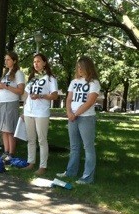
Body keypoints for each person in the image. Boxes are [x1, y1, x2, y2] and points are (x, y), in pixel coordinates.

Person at [56, 56, 100, 184]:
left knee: (88, 147)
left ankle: (87, 177)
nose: (79, 69)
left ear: (88, 67)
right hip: (72, 117)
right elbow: (69, 99)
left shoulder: (94, 83)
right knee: (74, 147)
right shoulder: (74, 82)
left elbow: (89, 102)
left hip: (86, 118)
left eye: (82, 67)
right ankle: (70, 172)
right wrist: (69, 112)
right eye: (78, 67)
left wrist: (76, 114)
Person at [22, 53, 58, 175]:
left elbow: (54, 95)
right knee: (30, 139)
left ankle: (43, 166)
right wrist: (23, 110)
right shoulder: (32, 78)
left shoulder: (50, 78)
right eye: (34, 62)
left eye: (38, 61)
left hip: (41, 112)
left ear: (44, 63)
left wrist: (41, 96)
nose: (35, 64)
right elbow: (26, 95)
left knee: (42, 140)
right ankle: (31, 162)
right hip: (28, 111)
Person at [0, 51, 25, 161]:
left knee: (10, 129)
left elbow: (20, 90)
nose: (6, 61)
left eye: (8, 59)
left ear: (14, 61)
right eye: (5, 59)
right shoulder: (6, 73)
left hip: (11, 103)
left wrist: (5, 86)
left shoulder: (18, 73)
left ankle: (11, 153)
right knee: (3, 130)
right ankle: (5, 151)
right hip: (2, 102)